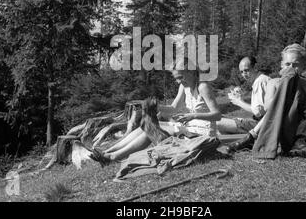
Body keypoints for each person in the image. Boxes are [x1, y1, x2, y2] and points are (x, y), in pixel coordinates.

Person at [90, 59, 222, 165]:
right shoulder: (184, 86)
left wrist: (193, 115)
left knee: (151, 129)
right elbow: (174, 108)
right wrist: (155, 107)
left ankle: (112, 157)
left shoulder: (203, 87)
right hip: (189, 129)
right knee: (145, 126)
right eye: (176, 78)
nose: (178, 81)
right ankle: (107, 151)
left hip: (202, 134)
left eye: (180, 77)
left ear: (192, 72)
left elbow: (217, 115)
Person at [227, 44, 306, 157]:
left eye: (295, 65)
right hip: (280, 125)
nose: (291, 68)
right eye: (287, 64)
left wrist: (294, 85)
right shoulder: (274, 82)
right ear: (282, 65)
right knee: (276, 107)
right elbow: (268, 108)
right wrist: (283, 89)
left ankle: (300, 140)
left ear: (303, 66)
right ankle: (251, 137)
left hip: (299, 128)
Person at [217, 56, 271, 135]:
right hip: (259, 123)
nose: (244, 74)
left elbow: (258, 112)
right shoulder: (262, 80)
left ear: (255, 67)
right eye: (241, 72)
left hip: (260, 126)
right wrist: (239, 99)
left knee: (217, 123)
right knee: (220, 119)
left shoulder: (260, 81)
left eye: (246, 70)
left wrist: (238, 102)